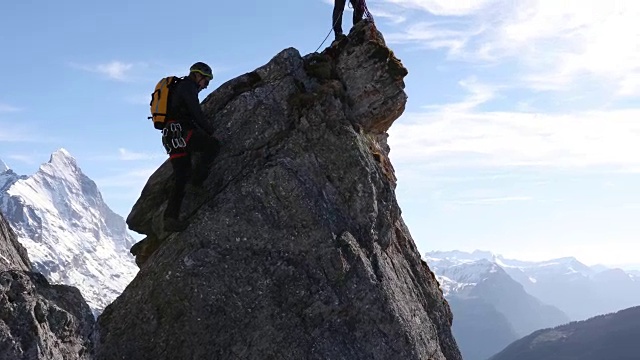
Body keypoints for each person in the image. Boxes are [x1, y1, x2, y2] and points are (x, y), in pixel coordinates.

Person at [162, 62, 220, 232]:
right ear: (198, 75)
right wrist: (210, 130)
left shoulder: (179, 87)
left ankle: (170, 218)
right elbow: (196, 112)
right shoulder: (188, 87)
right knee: (212, 146)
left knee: (181, 176)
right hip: (181, 132)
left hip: (170, 137)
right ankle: (197, 183)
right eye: (206, 81)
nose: (206, 85)